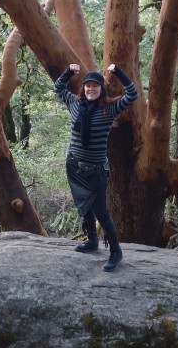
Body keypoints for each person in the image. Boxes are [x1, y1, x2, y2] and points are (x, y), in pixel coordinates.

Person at [54, 62, 139, 271]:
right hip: (74, 166)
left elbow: (132, 94)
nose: (90, 89)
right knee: (84, 205)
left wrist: (118, 71)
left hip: (97, 170)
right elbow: (58, 88)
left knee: (100, 210)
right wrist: (68, 72)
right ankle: (92, 240)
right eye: (87, 85)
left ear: (101, 89)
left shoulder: (109, 109)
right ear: (83, 88)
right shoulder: (74, 103)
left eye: (95, 86)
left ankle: (116, 251)